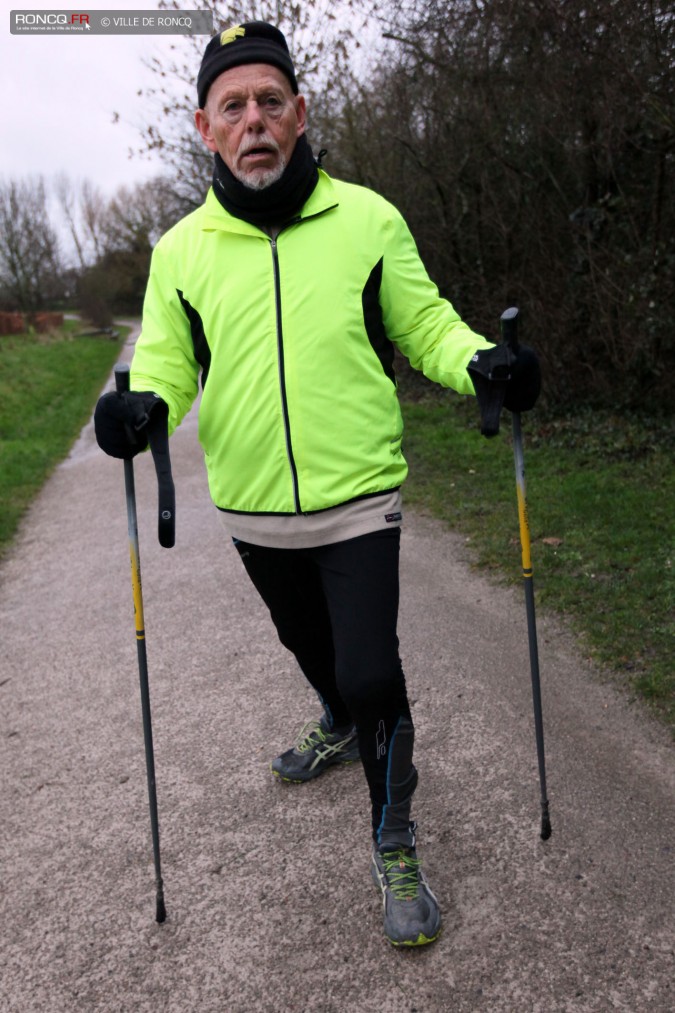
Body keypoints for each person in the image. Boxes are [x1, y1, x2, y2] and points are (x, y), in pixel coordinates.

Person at [94, 22, 540, 948]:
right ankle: (336, 717)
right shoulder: (181, 251)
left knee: (372, 667)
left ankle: (394, 834)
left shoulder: (368, 220)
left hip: (359, 498)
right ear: (203, 127)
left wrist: (482, 364)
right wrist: (140, 409)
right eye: (233, 106)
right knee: (315, 652)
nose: (253, 119)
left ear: (297, 114)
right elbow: (170, 366)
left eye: (269, 101)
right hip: (254, 510)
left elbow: (425, 327)